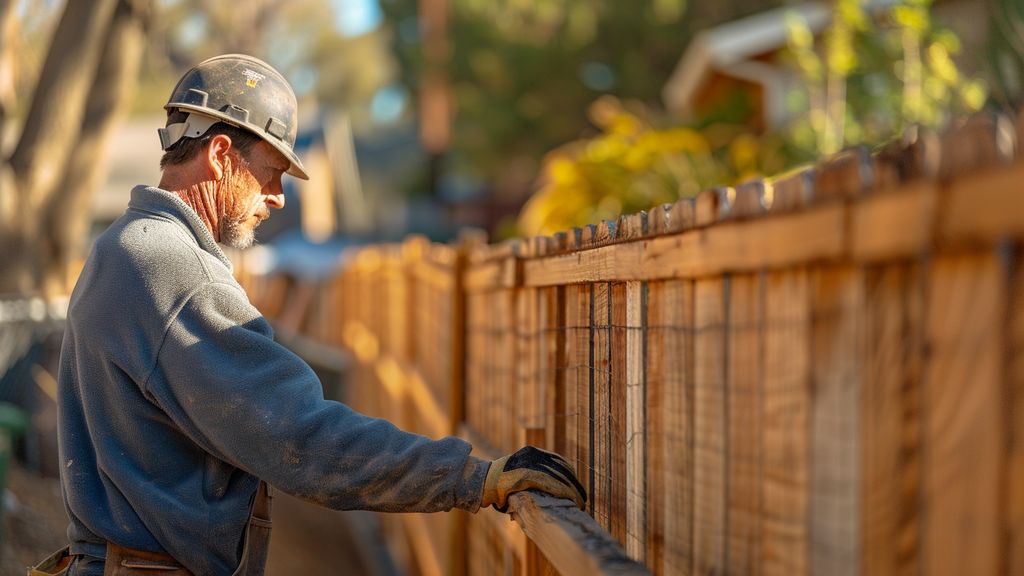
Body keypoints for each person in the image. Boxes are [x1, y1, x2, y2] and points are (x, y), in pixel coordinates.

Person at [30, 54, 585, 576]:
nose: (278, 198)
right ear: (221, 155)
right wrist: (473, 477)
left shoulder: (123, 244)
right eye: (270, 172)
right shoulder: (170, 266)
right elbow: (301, 437)